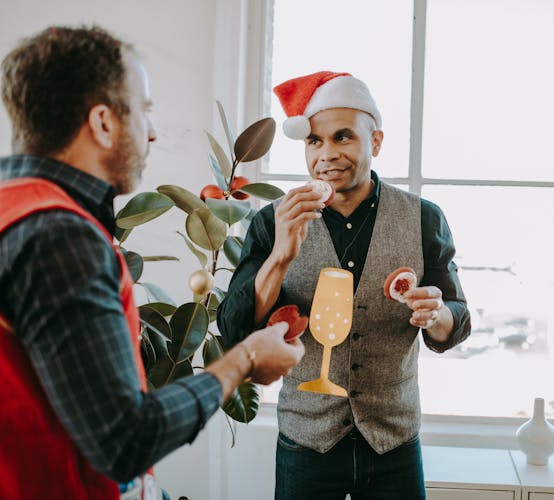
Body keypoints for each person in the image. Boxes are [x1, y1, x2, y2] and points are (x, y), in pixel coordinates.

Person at [0, 25, 304, 500]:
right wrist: (243, 358)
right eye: (144, 110)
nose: (154, 131)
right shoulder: (59, 239)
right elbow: (126, 441)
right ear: (102, 122)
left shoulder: (12, 210)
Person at [217, 70, 472, 499]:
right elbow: (234, 329)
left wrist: (438, 314)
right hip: (307, 443)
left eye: (342, 137)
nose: (326, 155)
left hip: (393, 443)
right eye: (314, 141)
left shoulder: (425, 218)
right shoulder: (271, 220)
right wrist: (281, 255)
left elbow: (456, 323)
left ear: (375, 142)